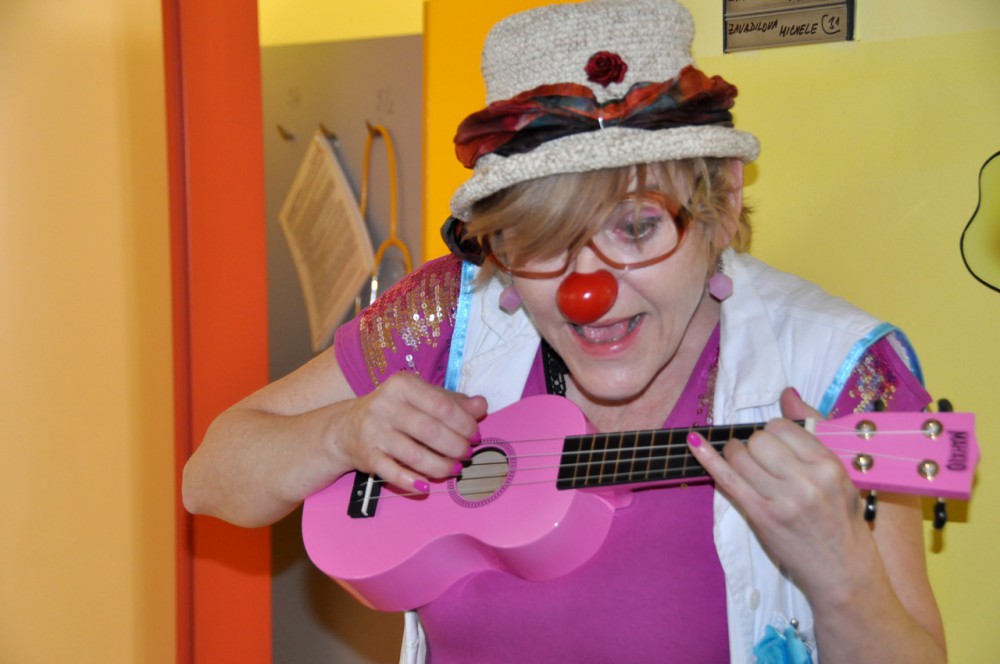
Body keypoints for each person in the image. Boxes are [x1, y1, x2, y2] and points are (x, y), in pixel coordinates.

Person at [183, 0, 946, 661]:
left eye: (636, 228)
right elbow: (209, 478)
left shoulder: (830, 369)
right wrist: (342, 434)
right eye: (544, 240)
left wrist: (841, 575)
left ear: (719, 207)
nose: (588, 294)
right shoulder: (454, 313)